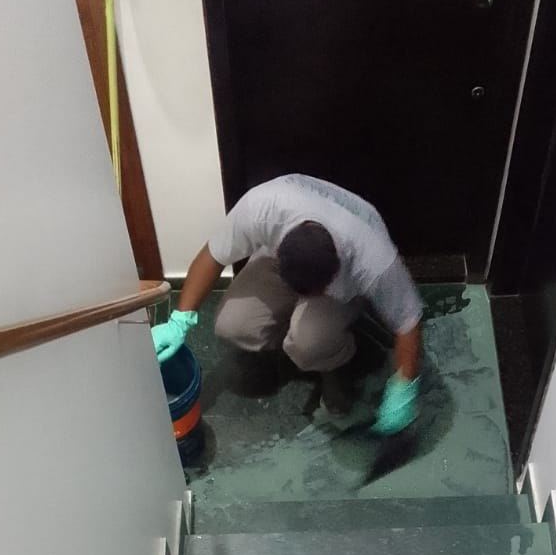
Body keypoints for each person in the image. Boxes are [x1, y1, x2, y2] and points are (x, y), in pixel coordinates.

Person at [151, 174, 423, 435]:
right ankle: (297, 342)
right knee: (232, 324)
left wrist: (403, 389)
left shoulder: (372, 259)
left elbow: (408, 321)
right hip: (295, 256)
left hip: (342, 282)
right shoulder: (262, 208)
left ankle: (329, 363)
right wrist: (179, 320)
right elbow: (212, 256)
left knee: (310, 343)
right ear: (279, 252)